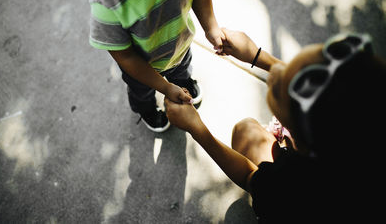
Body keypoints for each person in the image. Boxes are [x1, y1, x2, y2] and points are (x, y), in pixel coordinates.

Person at [165, 29, 386, 223]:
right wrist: (257, 56)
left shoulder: (294, 189)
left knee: (246, 132)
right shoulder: (367, 123)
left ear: (297, 142)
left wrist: (196, 128)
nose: (276, 74)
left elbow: (249, 178)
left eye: (279, 92)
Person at [89, 0, 224, 132]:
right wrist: (165, 87)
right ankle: (147, 111)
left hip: (180, 48)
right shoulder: (106, 2)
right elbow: (125, 56)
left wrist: (211, 26)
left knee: (182, 70)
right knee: (142, 94)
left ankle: (183, 84)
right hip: (141, 69)